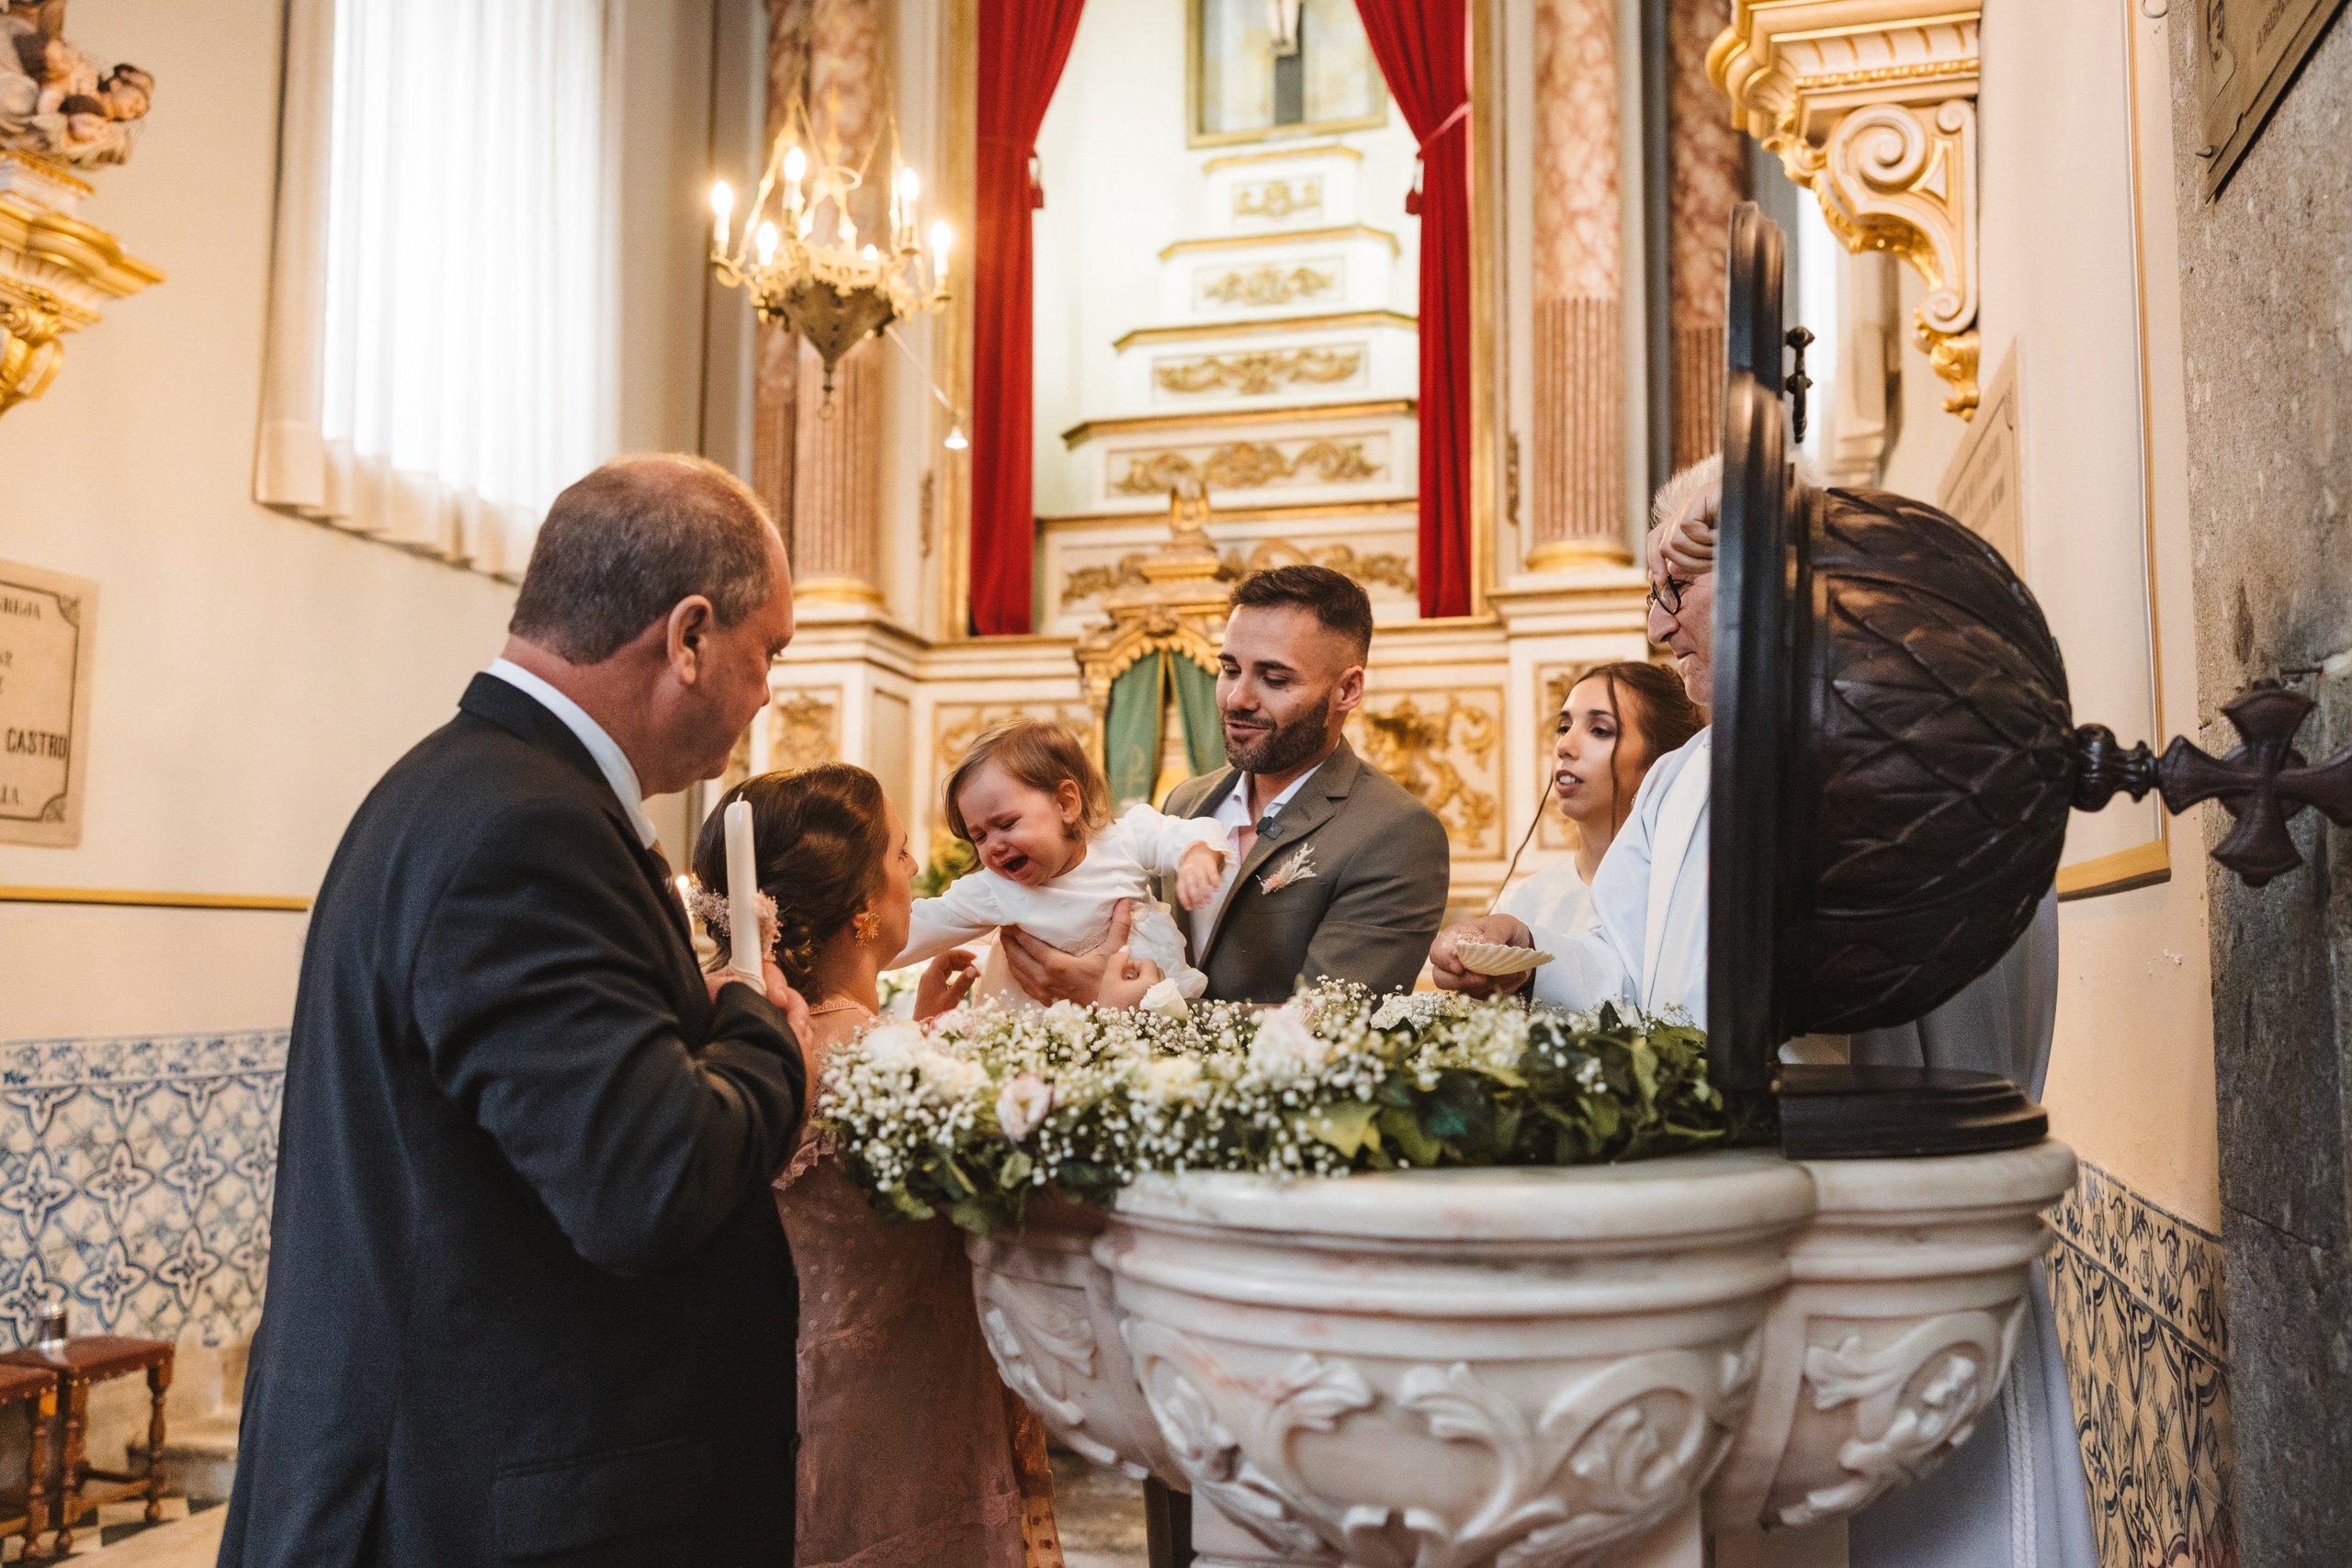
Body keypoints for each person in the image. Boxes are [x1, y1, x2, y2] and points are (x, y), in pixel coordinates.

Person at [222, 456, 811, 1568]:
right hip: (484, 1507)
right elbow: (645, 1183)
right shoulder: (527, 829)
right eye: (768, 650)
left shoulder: (461, 786)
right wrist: (759, 1031)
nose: (768, 691)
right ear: (689, 636)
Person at [688, 764, 1066, 1568]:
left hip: (767, 1411)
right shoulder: (898, 1067)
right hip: (901, 1427)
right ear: (861, 906)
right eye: (898, 852)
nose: (914, 868)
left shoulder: (733, 1046)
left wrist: (915, 1029)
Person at [1001, 564, 1450, 1007]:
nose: (1238, 699)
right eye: (1231, 670)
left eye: (1275, 679)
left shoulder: (1396, 833)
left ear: (1347, 690)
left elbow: (1326, 1027)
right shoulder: (1186, 801)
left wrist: (1121, 1002)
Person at [1430, 459, 1723, 1019]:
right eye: (1563, 725)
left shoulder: (1849, 722)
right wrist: (1526, 957)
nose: (1658, 628)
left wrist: (1777, 517)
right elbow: (1623, 972)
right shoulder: (1674, 780)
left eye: (1679, 588)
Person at [894, 718, 1227, 1009]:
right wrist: (864, 938)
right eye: (978, 836)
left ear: (1066, 803)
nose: (993, 846)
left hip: (1142, 1001)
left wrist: (1196, 855)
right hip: (1045, 1024)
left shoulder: (1123, 839)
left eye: (1006, 824)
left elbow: (1182, 834)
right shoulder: (995, 889)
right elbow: (916, 929)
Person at [1437, 661, 1705, 998]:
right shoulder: (1522, 900)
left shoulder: (1686, 898)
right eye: (1564, 727)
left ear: (1657, 767)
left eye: (1600, 731)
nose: (1565, 746)